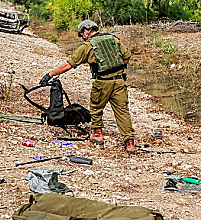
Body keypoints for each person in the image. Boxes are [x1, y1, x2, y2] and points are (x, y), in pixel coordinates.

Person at [40, 20, 137, 152]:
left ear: (86, 31)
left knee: (96, 108)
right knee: (123, 112)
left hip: (102, 82)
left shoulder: (87, 47)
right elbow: (126, 57)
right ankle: (130, 143)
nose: (82, 38)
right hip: (119, 81)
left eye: (81, 35)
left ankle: (98, 135)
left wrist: (50, 74)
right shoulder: (113, 39)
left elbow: (69, 64)